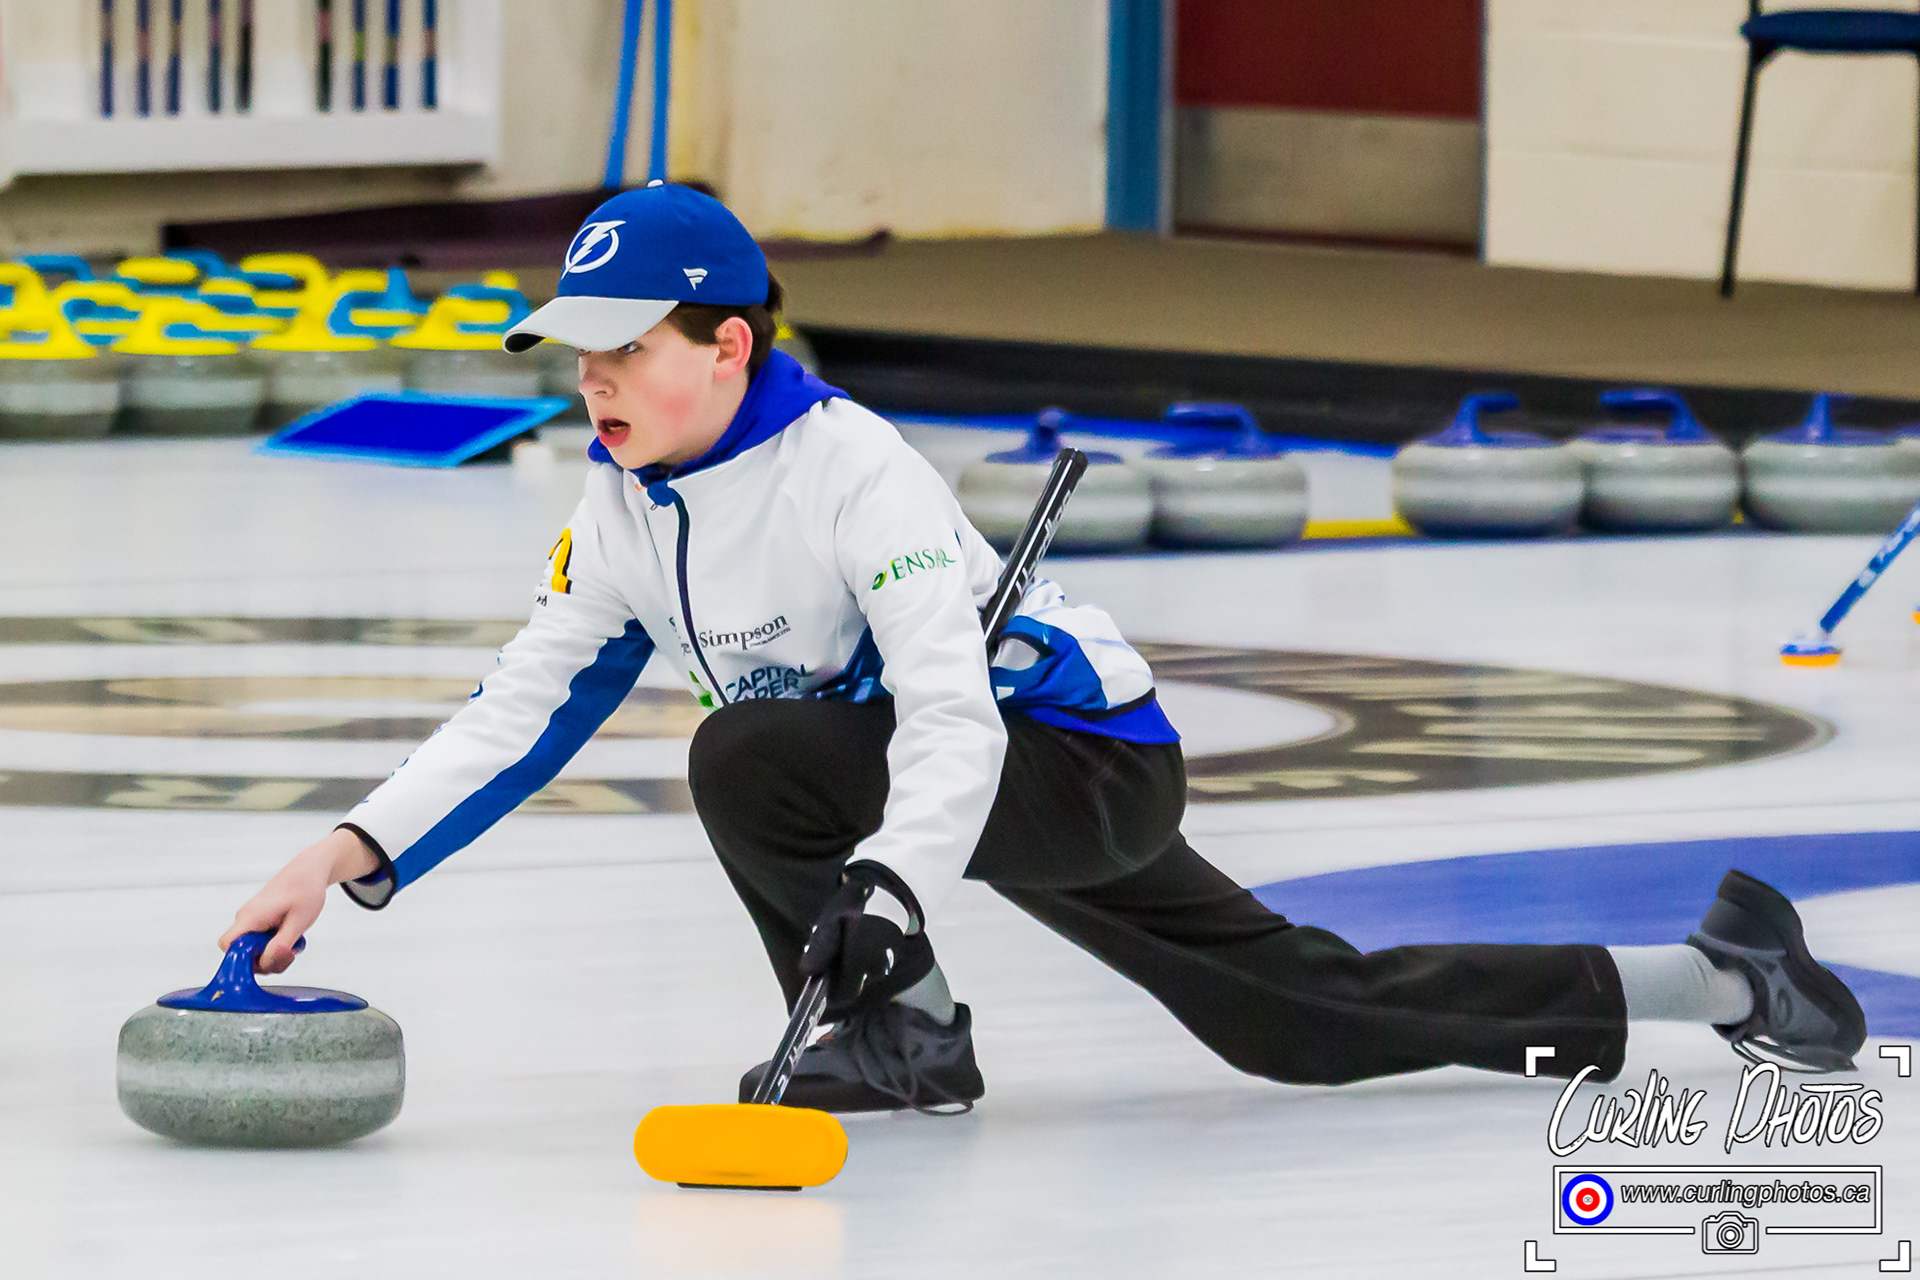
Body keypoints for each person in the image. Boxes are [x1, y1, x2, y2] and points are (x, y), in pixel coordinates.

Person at [224, 184, 1868, 1114]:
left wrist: (890, 891)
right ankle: (1725, 976)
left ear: (727, 346)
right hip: (923, 780)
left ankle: (906, 1035)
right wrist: (349, 849)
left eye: (623, 351)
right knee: (1292, 1019)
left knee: (749, 754)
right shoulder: (620, 501)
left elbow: (951, 717)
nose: (590, 382)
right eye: (575, 354)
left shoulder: (856, 472)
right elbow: (525, 705)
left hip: (1077, 765)